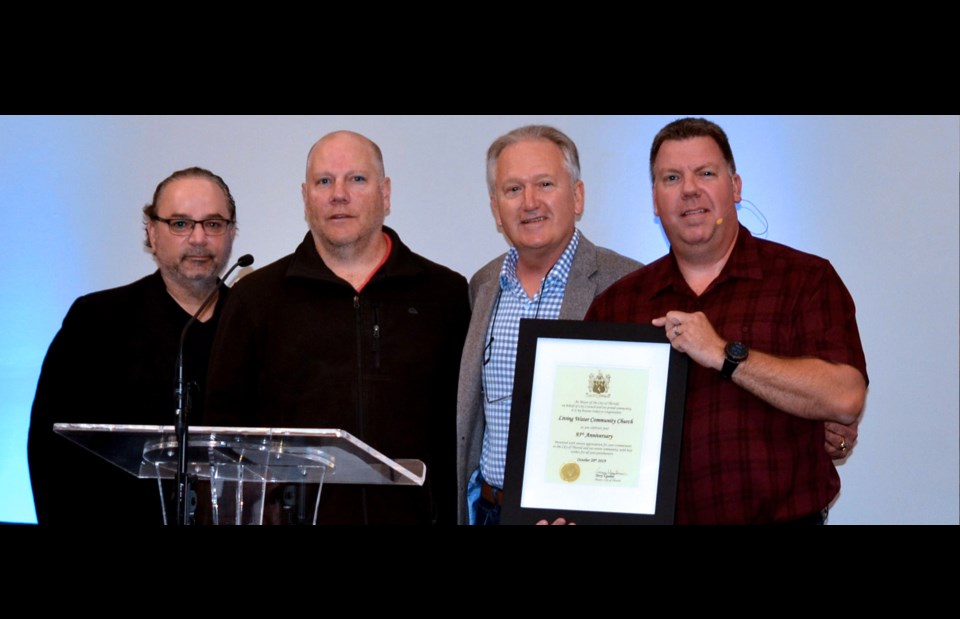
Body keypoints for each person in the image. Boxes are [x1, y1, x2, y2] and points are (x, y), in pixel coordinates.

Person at [585, 117, 868, 524]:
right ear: (654, 199)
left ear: (734, 187)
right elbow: (590, 427)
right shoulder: (617, 305)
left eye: (705, 173)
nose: (689, 190)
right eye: (671, 177)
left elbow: (845, 397)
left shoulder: (805, 279)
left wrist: (724, 354)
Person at [204, 131, 470, 525]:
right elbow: (223, 439)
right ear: (306, 196)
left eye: (357, 179)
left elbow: (465, 429)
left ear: (386, 194)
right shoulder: (255, 299)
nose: (338, 194)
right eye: (324, 181)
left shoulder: (445, 294)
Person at [28, 167, 239, 525]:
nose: (199, 238)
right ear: (152, 233)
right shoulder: (96, 320)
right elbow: (52, 447)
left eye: (214, 224)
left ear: (231, 233)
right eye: (181, 224)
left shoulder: (253, 323)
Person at [456, 125, 643, 525]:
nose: (530, 203)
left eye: (544, 184)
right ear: (495, 207)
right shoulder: (482, 286)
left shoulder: (627, 284)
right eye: (513, 190)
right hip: (488, 509)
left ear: (577, 196)